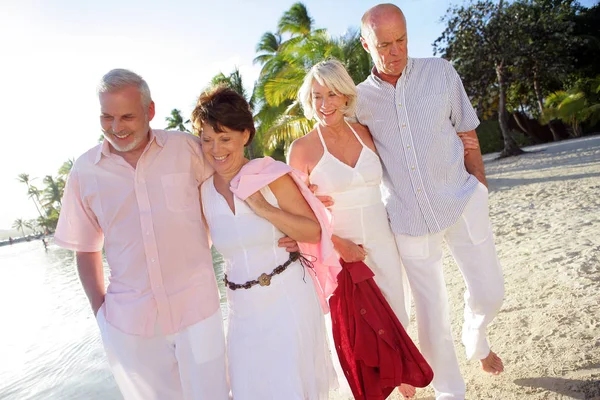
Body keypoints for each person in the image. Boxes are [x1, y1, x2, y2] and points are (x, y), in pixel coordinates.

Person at [289, 59, 477, 400]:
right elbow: (296, 212)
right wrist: (337, 242)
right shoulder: (301, 149)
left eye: (332, 94)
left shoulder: (365, 133)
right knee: (352, 325)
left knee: (395, 308)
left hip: (382, 235)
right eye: (317, 96)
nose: (325, 104)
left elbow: (408, 160)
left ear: (346, 96)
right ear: (308, 100)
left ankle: (399, 371)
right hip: (338, 247)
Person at [356, 4, 505, 400]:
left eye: (402, 40)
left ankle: (476, 334)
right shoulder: (358, 101)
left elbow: (467, 132)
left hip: (459, 200)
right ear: (365, 43)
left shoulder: (441, 72)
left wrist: (481, 190)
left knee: (491, 291)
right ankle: (450, 392)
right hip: (407, 217)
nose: (395, 51)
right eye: (384, 44)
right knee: (431, 315)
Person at [54, 69, 229, 399]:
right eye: (107, 117)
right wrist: (100, 313)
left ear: (149, 111)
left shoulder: (188, 149)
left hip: (197, 309)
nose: (116, 128)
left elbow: (231, 194)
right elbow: (86, 248)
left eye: (127, 116)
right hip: (130, 323)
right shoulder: (84, 171)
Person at [192, 86, 338, 400]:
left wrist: (264, 209)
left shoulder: (269, 175)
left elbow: (312, 231)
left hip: (288, 298)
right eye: (206, 139)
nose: (215, 149)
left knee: (293, 387)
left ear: (245, 135)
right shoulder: (202, 192)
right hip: (241, 309)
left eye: (225, 138)